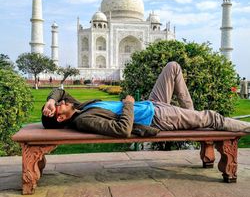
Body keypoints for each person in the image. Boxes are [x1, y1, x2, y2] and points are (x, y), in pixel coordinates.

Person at [42, 62, 250, 137]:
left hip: (152, 103)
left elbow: (60, 92)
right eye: (59, 107)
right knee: (213, 117)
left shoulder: (80, 108)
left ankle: (192, 118)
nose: (62, 103)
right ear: (61, 118)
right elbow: (122, 130)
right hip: (156, 117)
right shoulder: (84, 120)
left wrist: (50, 102)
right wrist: (129, 104)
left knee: (173, 67)